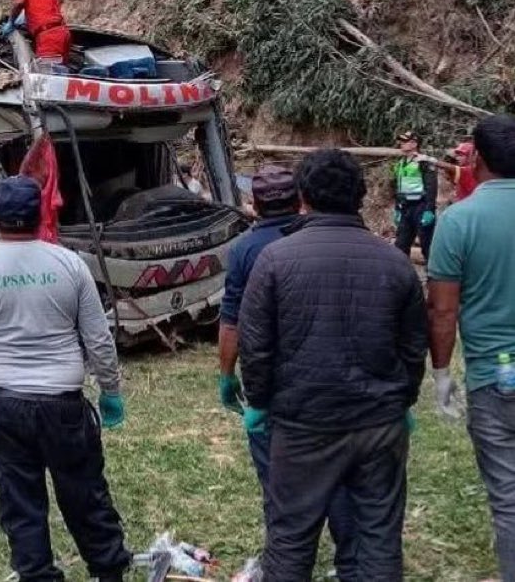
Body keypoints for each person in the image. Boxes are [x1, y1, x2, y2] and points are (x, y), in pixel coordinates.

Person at [239, 149, 427, 581]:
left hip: (303, 423)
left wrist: (261, 401)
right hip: (379, 424)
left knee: (290, 538)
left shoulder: (275, 260)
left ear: (302, 197)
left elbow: (256, 345)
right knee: (377, 537)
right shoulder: (396, 263)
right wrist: (403, 400)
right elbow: (413, 345)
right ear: (360, 197)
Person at [0, 175, 130, 582]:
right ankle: (109, 572)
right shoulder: (68, 263)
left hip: (3, 406)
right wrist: (110, 389)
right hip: (64, 403)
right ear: (42, 215)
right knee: (85, 494)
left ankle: (37, 574)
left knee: (20, 503)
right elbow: (98, 337)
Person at [219, 166, 358, 573]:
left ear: (254, 205)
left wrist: (227, 376)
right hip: (328, 378)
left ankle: (289, 559)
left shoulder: (246, 249)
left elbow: (233, 322)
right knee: (339, 478)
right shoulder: (324, 240)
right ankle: (351, 559)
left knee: (280, 481)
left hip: (271, 385)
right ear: (299, 199)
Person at [428, 114, 515, 579]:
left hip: (496, 376)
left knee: (508, 498)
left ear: (475, 158)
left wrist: (441, 375)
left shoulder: (458, 220)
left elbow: (442, 311)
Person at [390, 130, 438, 261]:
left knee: (427, 244)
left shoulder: (423, 162)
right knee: (400, 244)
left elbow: (431, 186)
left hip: (421, 206)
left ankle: (433, 276)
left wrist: (429, 209)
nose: (401, 144)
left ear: (414, 144)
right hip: (405, 207)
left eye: (404, 142)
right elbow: (398, 187)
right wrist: (397, 208)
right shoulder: (401, 163)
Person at [8, 0, 71, 64]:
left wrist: (11, 21)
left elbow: (19, 2)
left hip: (48, 37)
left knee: (46, 74)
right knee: (61, 73)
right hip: (63, 33)